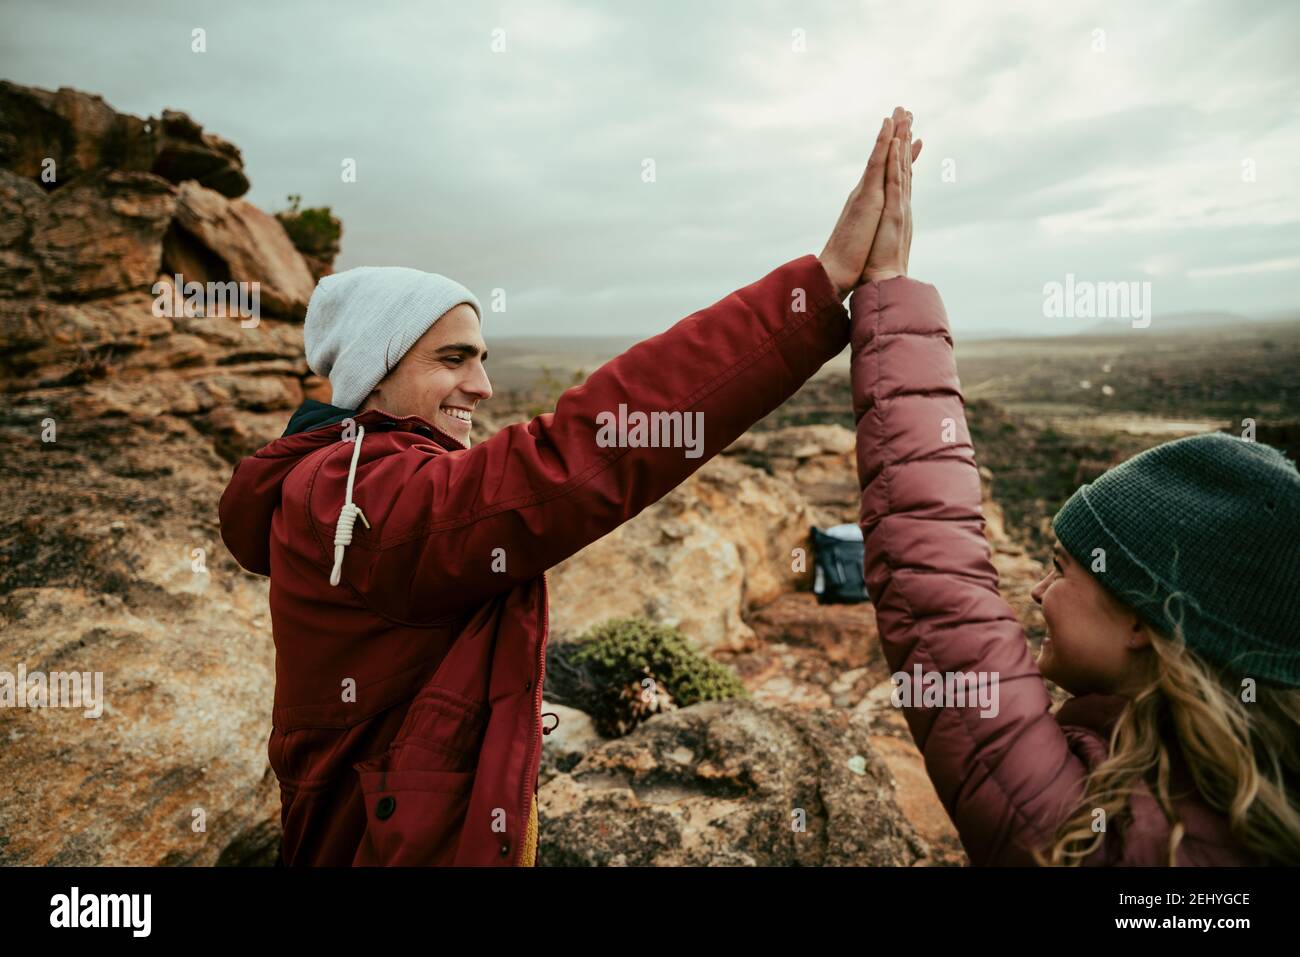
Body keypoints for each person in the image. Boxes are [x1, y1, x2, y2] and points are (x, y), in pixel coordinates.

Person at [218, 109, 924, 866]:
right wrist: (815, 288)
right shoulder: (358, 496)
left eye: (484, 357)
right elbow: (582, 453)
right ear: (371, 371)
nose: (483, 385)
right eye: (453, 359)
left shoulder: (353, 473)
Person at [848, 111, 1300, 865]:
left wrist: (886, 289)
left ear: (1140, 616)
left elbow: (937, 596)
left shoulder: (1101, 836)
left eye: (1061, 567)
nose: (1032, 590)